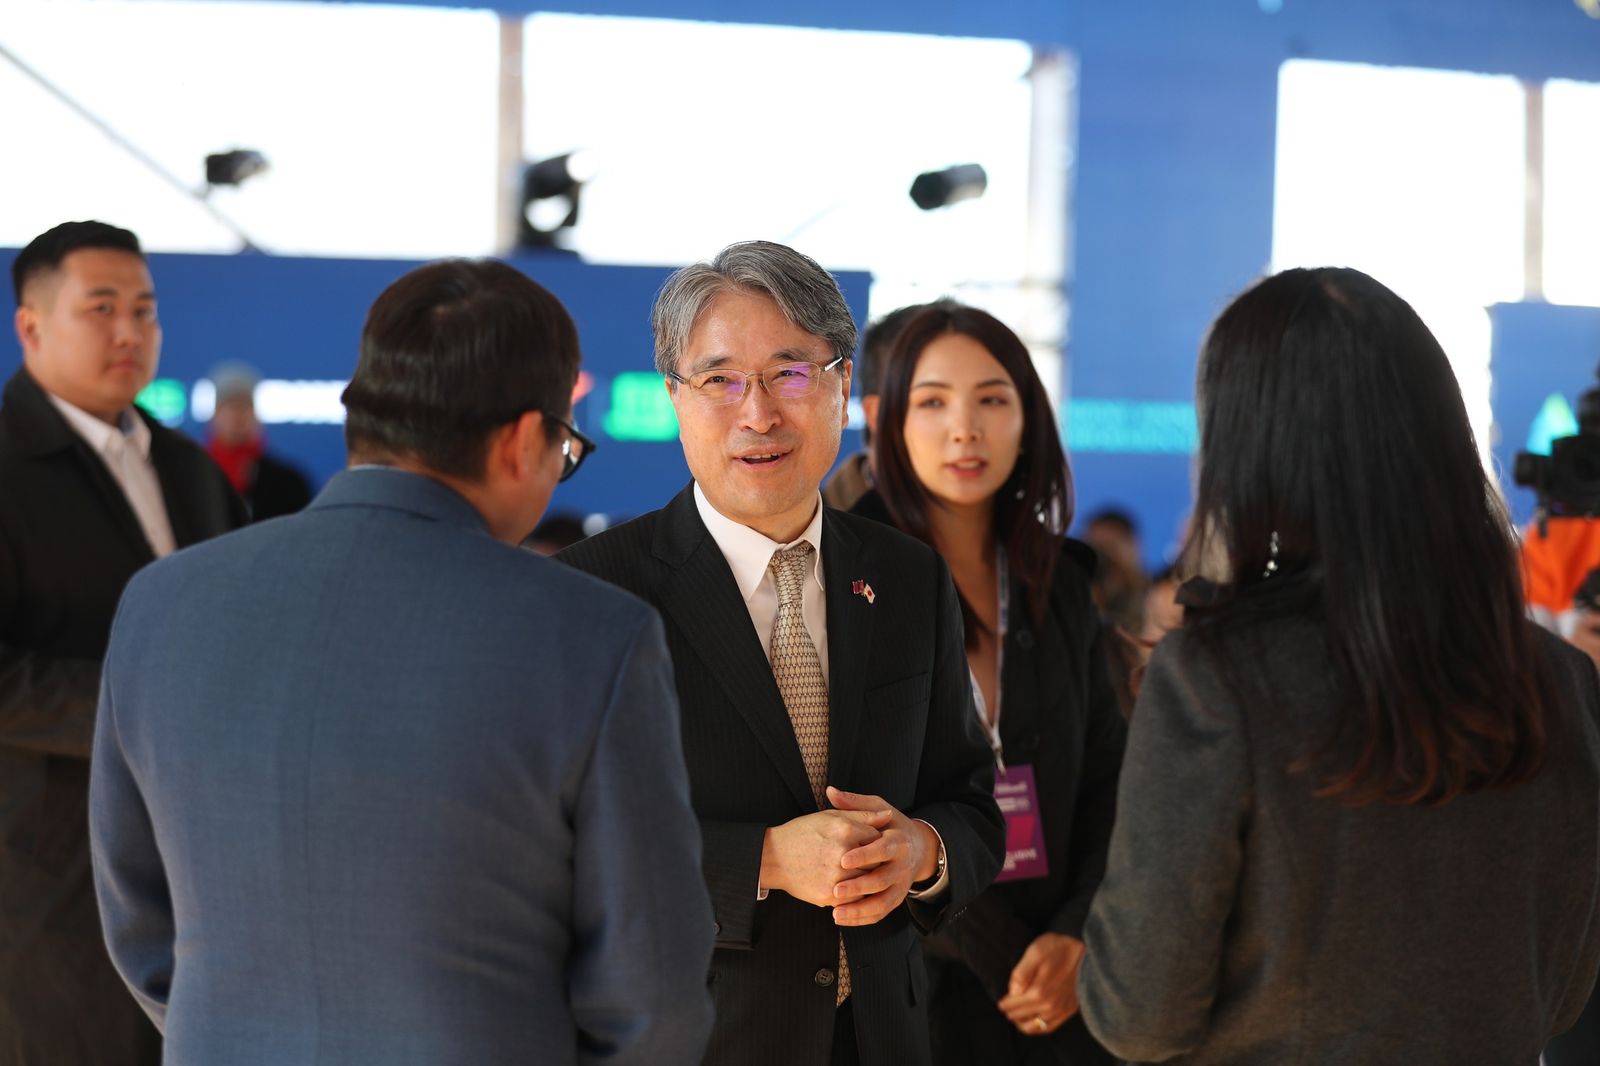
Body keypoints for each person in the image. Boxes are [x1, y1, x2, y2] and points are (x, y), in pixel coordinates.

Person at [88, 259, 715, 1065]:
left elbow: (141, 935)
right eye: (565, 447)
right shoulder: (596, 636)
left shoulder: (160, 604)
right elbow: (651, 1001)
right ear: (523, 440)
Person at [1077, 267, 1600, 1063]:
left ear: (1247, 445)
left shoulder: (1216, 678)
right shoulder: (1560, 679)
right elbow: (1562, 989)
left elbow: (1139, 1012)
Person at [558, 241, 1004, 1066]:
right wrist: (761, 860)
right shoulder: (593, 593)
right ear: (674, 397)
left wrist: (922, 852)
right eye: (720, 380)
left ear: (842, 385)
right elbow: (564, 849)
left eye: (790, 374)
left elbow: (972, 803)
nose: (758, 414)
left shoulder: (908, 576)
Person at [1, 220, 246, 1066]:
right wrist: (147, 715)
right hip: (46, 869)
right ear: (32, 326)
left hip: (200, 862)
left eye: (144, 309)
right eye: (100, 308)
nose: (129, 332)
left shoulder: (189, 469)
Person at [858, 302, 1125, 1065]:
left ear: (1028, 418)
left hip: (1067, 983)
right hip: (914, 989)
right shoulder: (848, 579)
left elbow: (1110, 775)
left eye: (992, 400)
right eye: (933, 402)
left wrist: (1076, 933)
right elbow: (858, 804)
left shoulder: (1059, 580)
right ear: (888, 423)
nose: (964, 430)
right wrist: (1009, 954)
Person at [821, 301, 949, 513]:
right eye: (932, 402)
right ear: (877, 413)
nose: (963, 427)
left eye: (987, 399)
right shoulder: (812, 526)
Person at [203, 361, 314, 520]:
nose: (237, 416)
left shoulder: (288, 483)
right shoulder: (193, 477)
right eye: (230, 406)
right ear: (215, 414)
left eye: (245, 406)